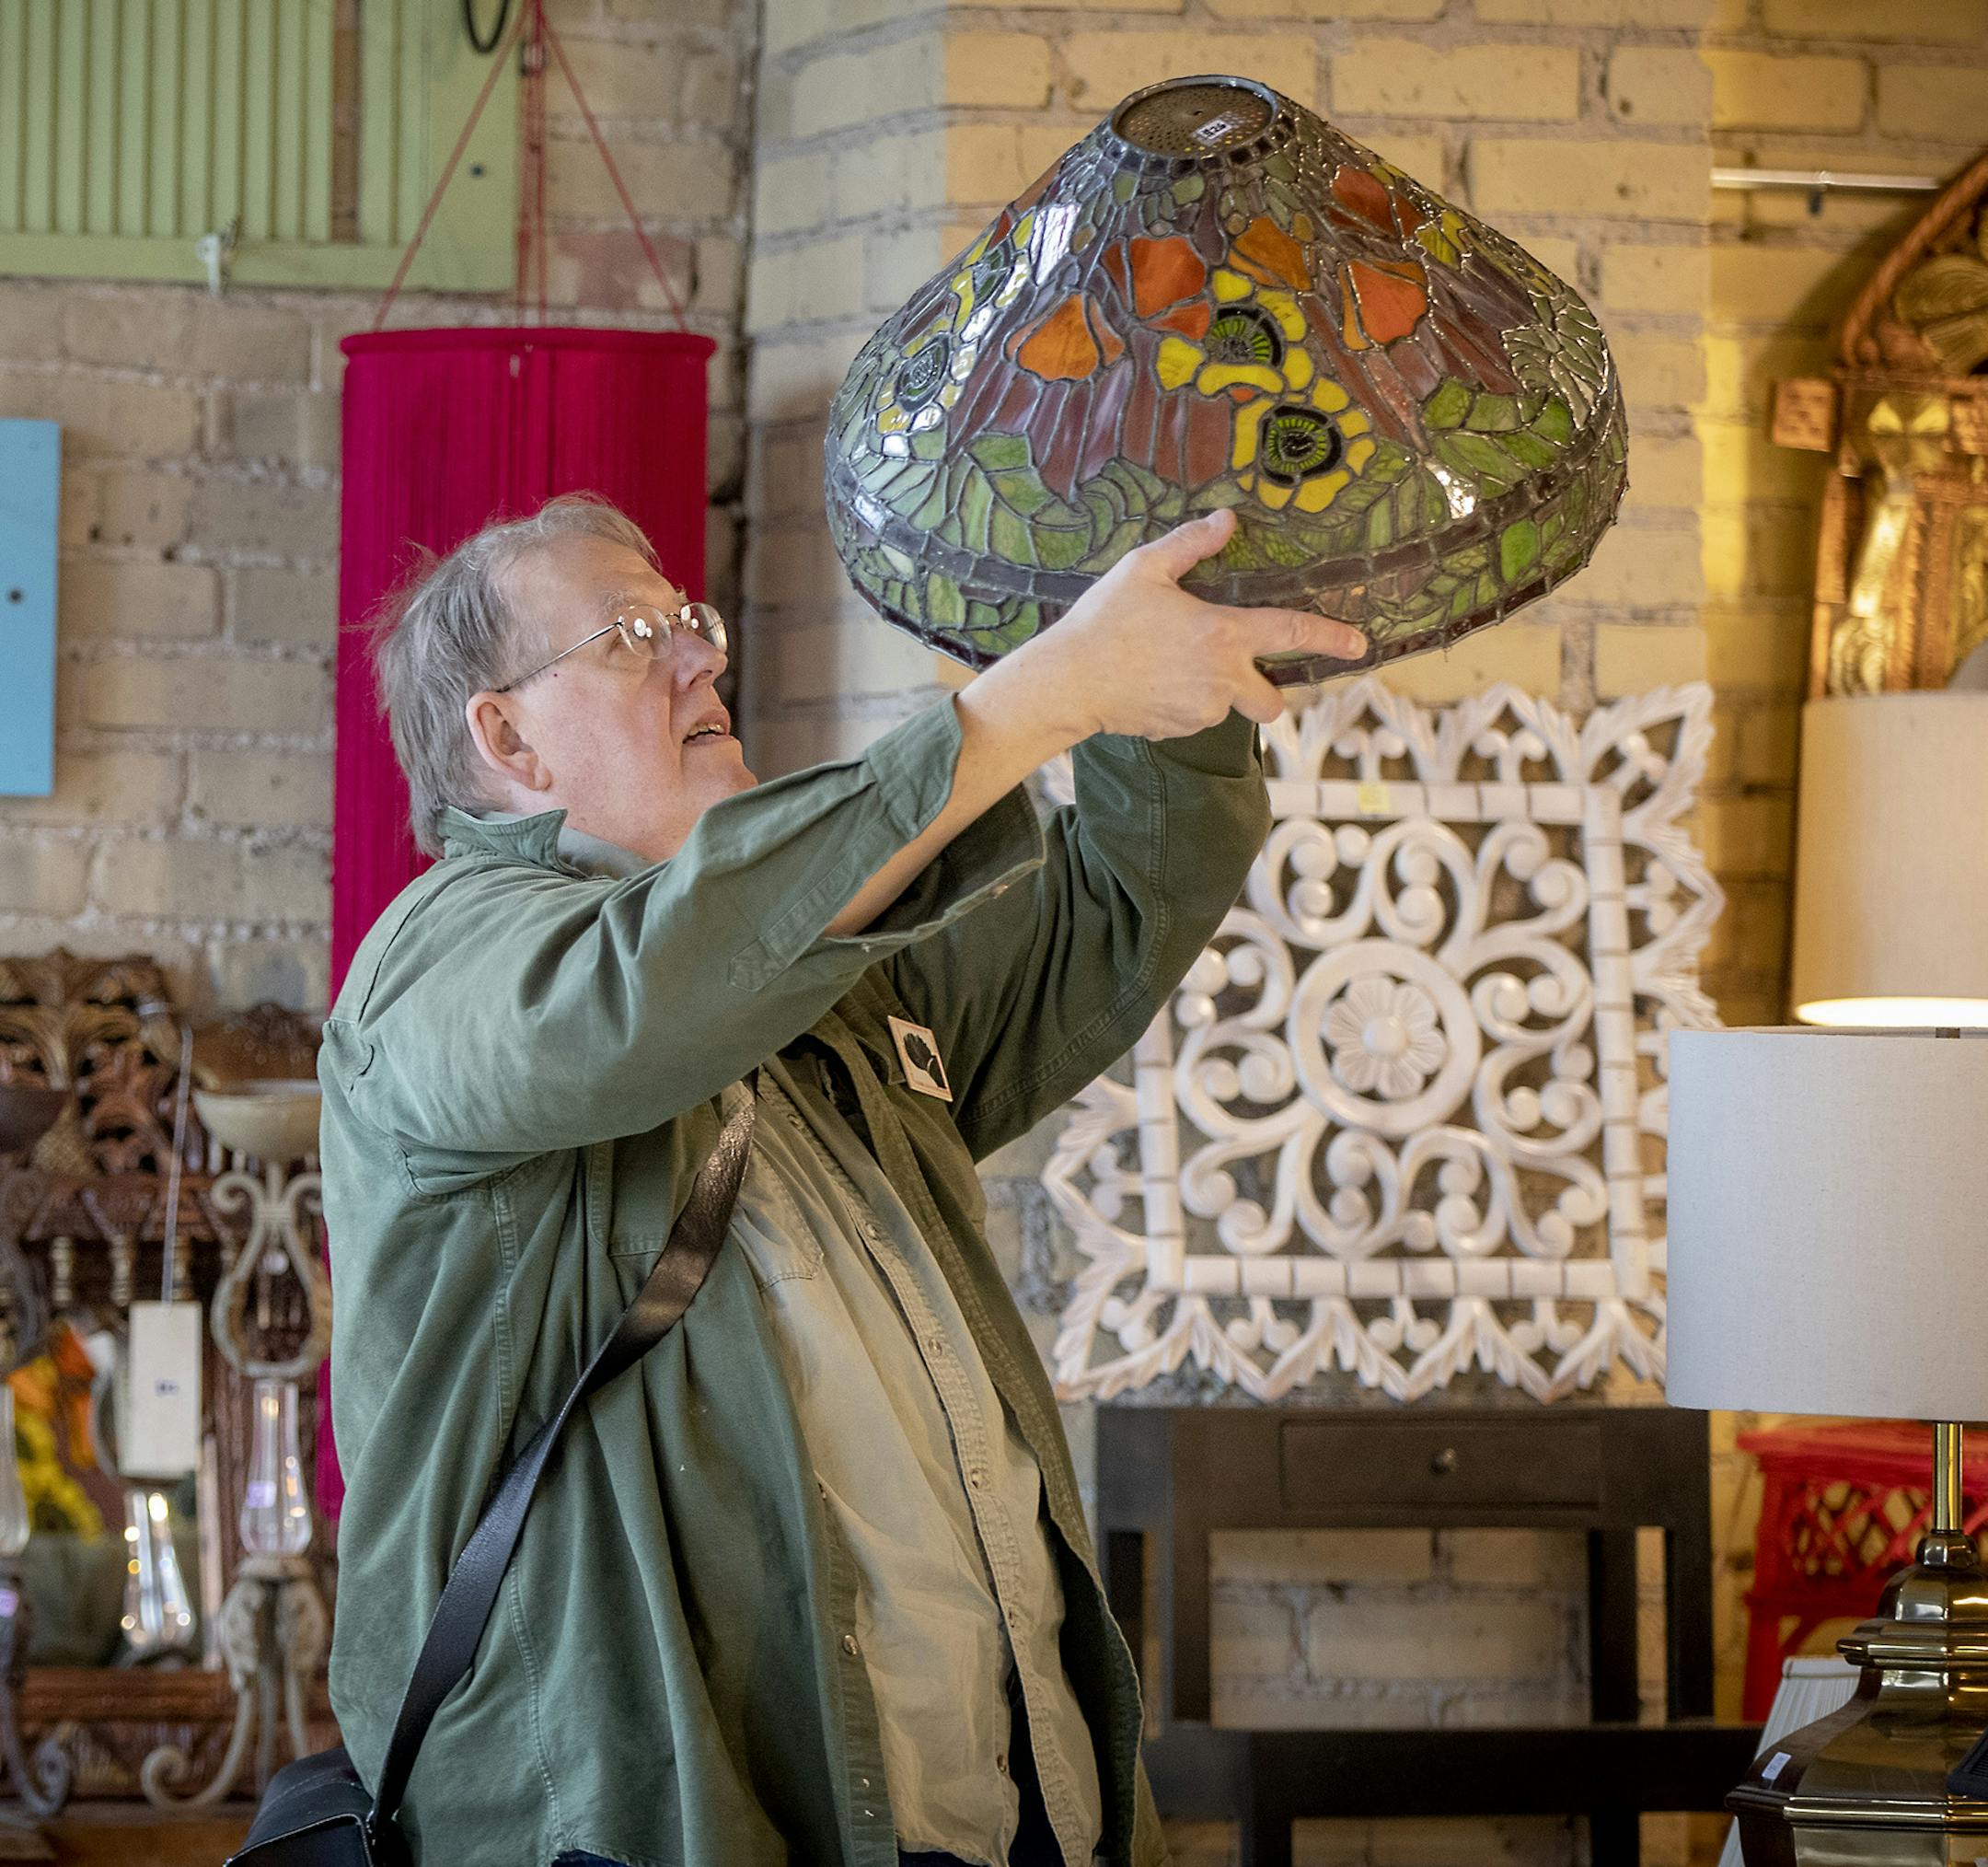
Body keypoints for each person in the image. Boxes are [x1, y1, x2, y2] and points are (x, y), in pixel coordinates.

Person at [321, 492, 1363, 1867]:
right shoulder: (436, 964)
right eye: (635, 636)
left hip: (994, 1799)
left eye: (692, 622)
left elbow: (1119, 906)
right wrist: (1044, 693)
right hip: (656, 1816)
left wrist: (1166, 687)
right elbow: (657, 988)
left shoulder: (827, 986)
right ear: (504, 736)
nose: (705, 658)